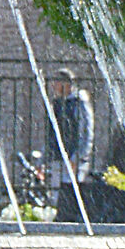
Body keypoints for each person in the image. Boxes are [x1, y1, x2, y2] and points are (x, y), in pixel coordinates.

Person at [48, 68, 95, 198]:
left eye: (56, 82)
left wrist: (77, 157)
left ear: (66, 84)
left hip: (73, 157)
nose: (53, 86)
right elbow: (52, 133)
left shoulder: (78, 103)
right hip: (58, 157)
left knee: (70, 195)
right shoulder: (58, 103)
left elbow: (86, 132)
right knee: (56, 196)